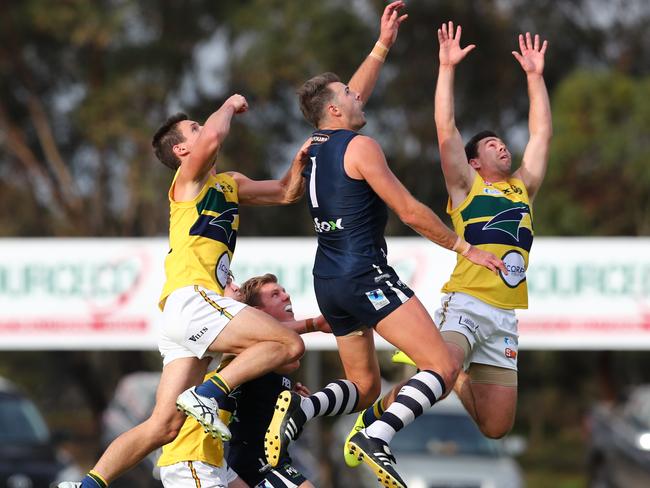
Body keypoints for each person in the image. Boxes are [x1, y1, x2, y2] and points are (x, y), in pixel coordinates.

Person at [262, 5, 506, 488]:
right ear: (335, 110)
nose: (358, 96)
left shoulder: (315, 144)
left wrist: (382, 45)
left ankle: (299, 412)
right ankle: (377, 436)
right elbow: (411, 211)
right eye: (349, 95)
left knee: (366, 385)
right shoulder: (362, 148)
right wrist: (465, 248)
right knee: (442, 364)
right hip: (365, 275)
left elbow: (348, 99)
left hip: (328, 279)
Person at [59, 95, 309, 488]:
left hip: (185, 315)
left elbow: (284, 192)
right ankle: (207, 395)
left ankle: (86, 485)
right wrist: (228, 105)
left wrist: (299, 162)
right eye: (193, 129)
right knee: (289, 346)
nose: (203, 131)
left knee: (163, 425)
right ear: (181, 150)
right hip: (193, 299)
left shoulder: (230, 183)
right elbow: (211, 138)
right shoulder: (188, 180)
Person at [348, 21, 552, 459]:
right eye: (493, 145)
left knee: (497, 426)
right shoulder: (465, 187)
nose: (504, 148)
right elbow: (445, 129)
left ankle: (456, 375)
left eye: (503, 144)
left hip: (505, 316)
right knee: (441, 371)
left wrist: (535, 77)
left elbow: (541, 135)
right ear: (474, 162)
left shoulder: (522, 189)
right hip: (467, 302)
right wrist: (446, 68)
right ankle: (372, 432)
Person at [227, 273, 329, 488]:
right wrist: (314, 323)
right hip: (252, 460)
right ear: (258, 313)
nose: (286, 295)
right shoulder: (249, 343)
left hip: (271, 459)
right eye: (275, 294)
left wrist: (296, 411)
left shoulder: (281, 355)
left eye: (283, 290)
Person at [156, 272, 247, 488]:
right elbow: (285, 350)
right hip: (189, 458)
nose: (236, 287)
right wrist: (312, 324)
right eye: (227, 283)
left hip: (212, 459)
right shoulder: (211, 336)